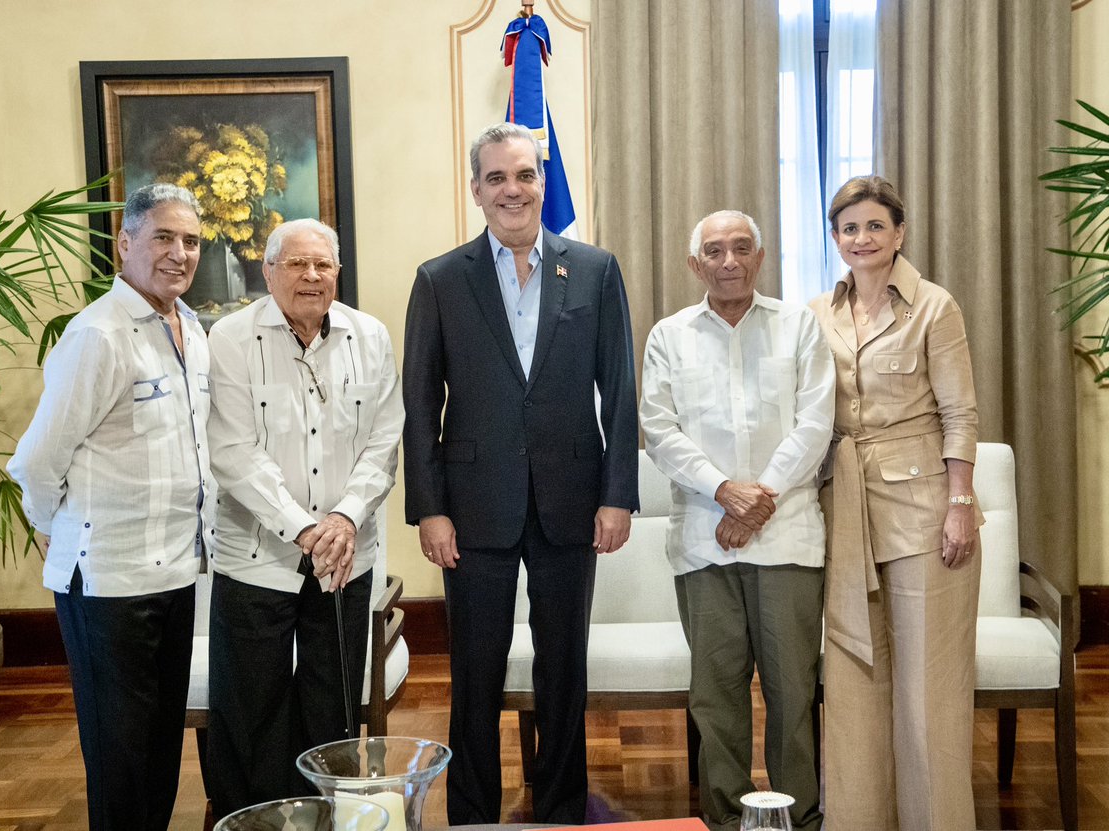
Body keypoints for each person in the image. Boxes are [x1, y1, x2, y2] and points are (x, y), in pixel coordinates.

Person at [402, 121, 639, 824]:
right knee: (475, 673)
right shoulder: (440, 279)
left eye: (526, 175)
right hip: (472, 508)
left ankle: (561, 806)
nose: (514, 189)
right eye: (497, 177)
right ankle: (472, 812)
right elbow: (420, 403)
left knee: (564, 668)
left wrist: (618, 494)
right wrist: (430, 508)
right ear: (476, 190)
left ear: (544, 182)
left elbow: (620, 389)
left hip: (572, 499)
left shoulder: (595, 270)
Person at [7, 183, 209, 831]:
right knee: (120, 761)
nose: (180, 253)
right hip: (108, 584)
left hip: (176, 574)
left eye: (192, 241)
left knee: (158, 755)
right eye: (163, 237)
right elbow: (38, 458)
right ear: (125, 244)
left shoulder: (191, 327)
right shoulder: (96, 334)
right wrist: (51, 527)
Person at [640, 211, 835, 831]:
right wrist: (724, 491)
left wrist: (758, 501)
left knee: (793, 696)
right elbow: (658, 429)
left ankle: (798, 819)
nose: (729, 261)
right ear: (695, 265)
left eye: (741, 249)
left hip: (788, 541)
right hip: (705, 542)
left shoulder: (799, 326)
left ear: (760, 256)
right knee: (716, 696)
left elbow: (815, 424)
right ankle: (726, 821)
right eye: (715, 252)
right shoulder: (669, 335)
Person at [204, 217, 404, 816]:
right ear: (267, 272)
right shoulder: (231, 339)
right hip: (256, 556)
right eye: (295, 263)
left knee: (333, 709)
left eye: (323, 265)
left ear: (337, 274)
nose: (311, 275)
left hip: (346, 557)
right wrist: (306, 528)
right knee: (251, 707)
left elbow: (384, 439)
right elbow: (234, 452)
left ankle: (326, 819)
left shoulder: (369, 335)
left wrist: (342, 520)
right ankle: (255, 820)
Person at [809, 175, 981, 830]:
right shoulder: (817, 312)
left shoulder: (935, 307)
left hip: (925, 514)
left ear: (899, 233)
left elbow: (961, 413)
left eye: (875, 226)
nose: (862, 239)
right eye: (849, 228)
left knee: (927, 697)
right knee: (854, 688)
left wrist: (960, 501)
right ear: (836, 238)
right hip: (844, 510)